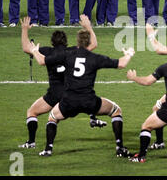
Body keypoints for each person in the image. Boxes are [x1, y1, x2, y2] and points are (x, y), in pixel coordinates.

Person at [29, 28, 135, 157]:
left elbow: (41, 61)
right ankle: (120, 147)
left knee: (52, 117)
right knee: (116, 110)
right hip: (89, 101)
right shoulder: (95, 58)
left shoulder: (68, 55)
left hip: (69, 101)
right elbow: (122, 64)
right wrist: (128, 54)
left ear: (77, 42)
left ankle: (48, 149)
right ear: (89, 42)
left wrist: (35, 50)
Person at [18, 14, 104, 149]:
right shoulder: (73, 51)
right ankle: (93, 117)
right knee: (84, 99)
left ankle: (31, 142)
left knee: (32, 112)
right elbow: (93, 44)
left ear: (52, 42)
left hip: (54, 94)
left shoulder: (46, 51)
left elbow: (26, 48)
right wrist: (88, 27)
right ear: (66, 42)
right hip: (71, 93)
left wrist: (25, 30)